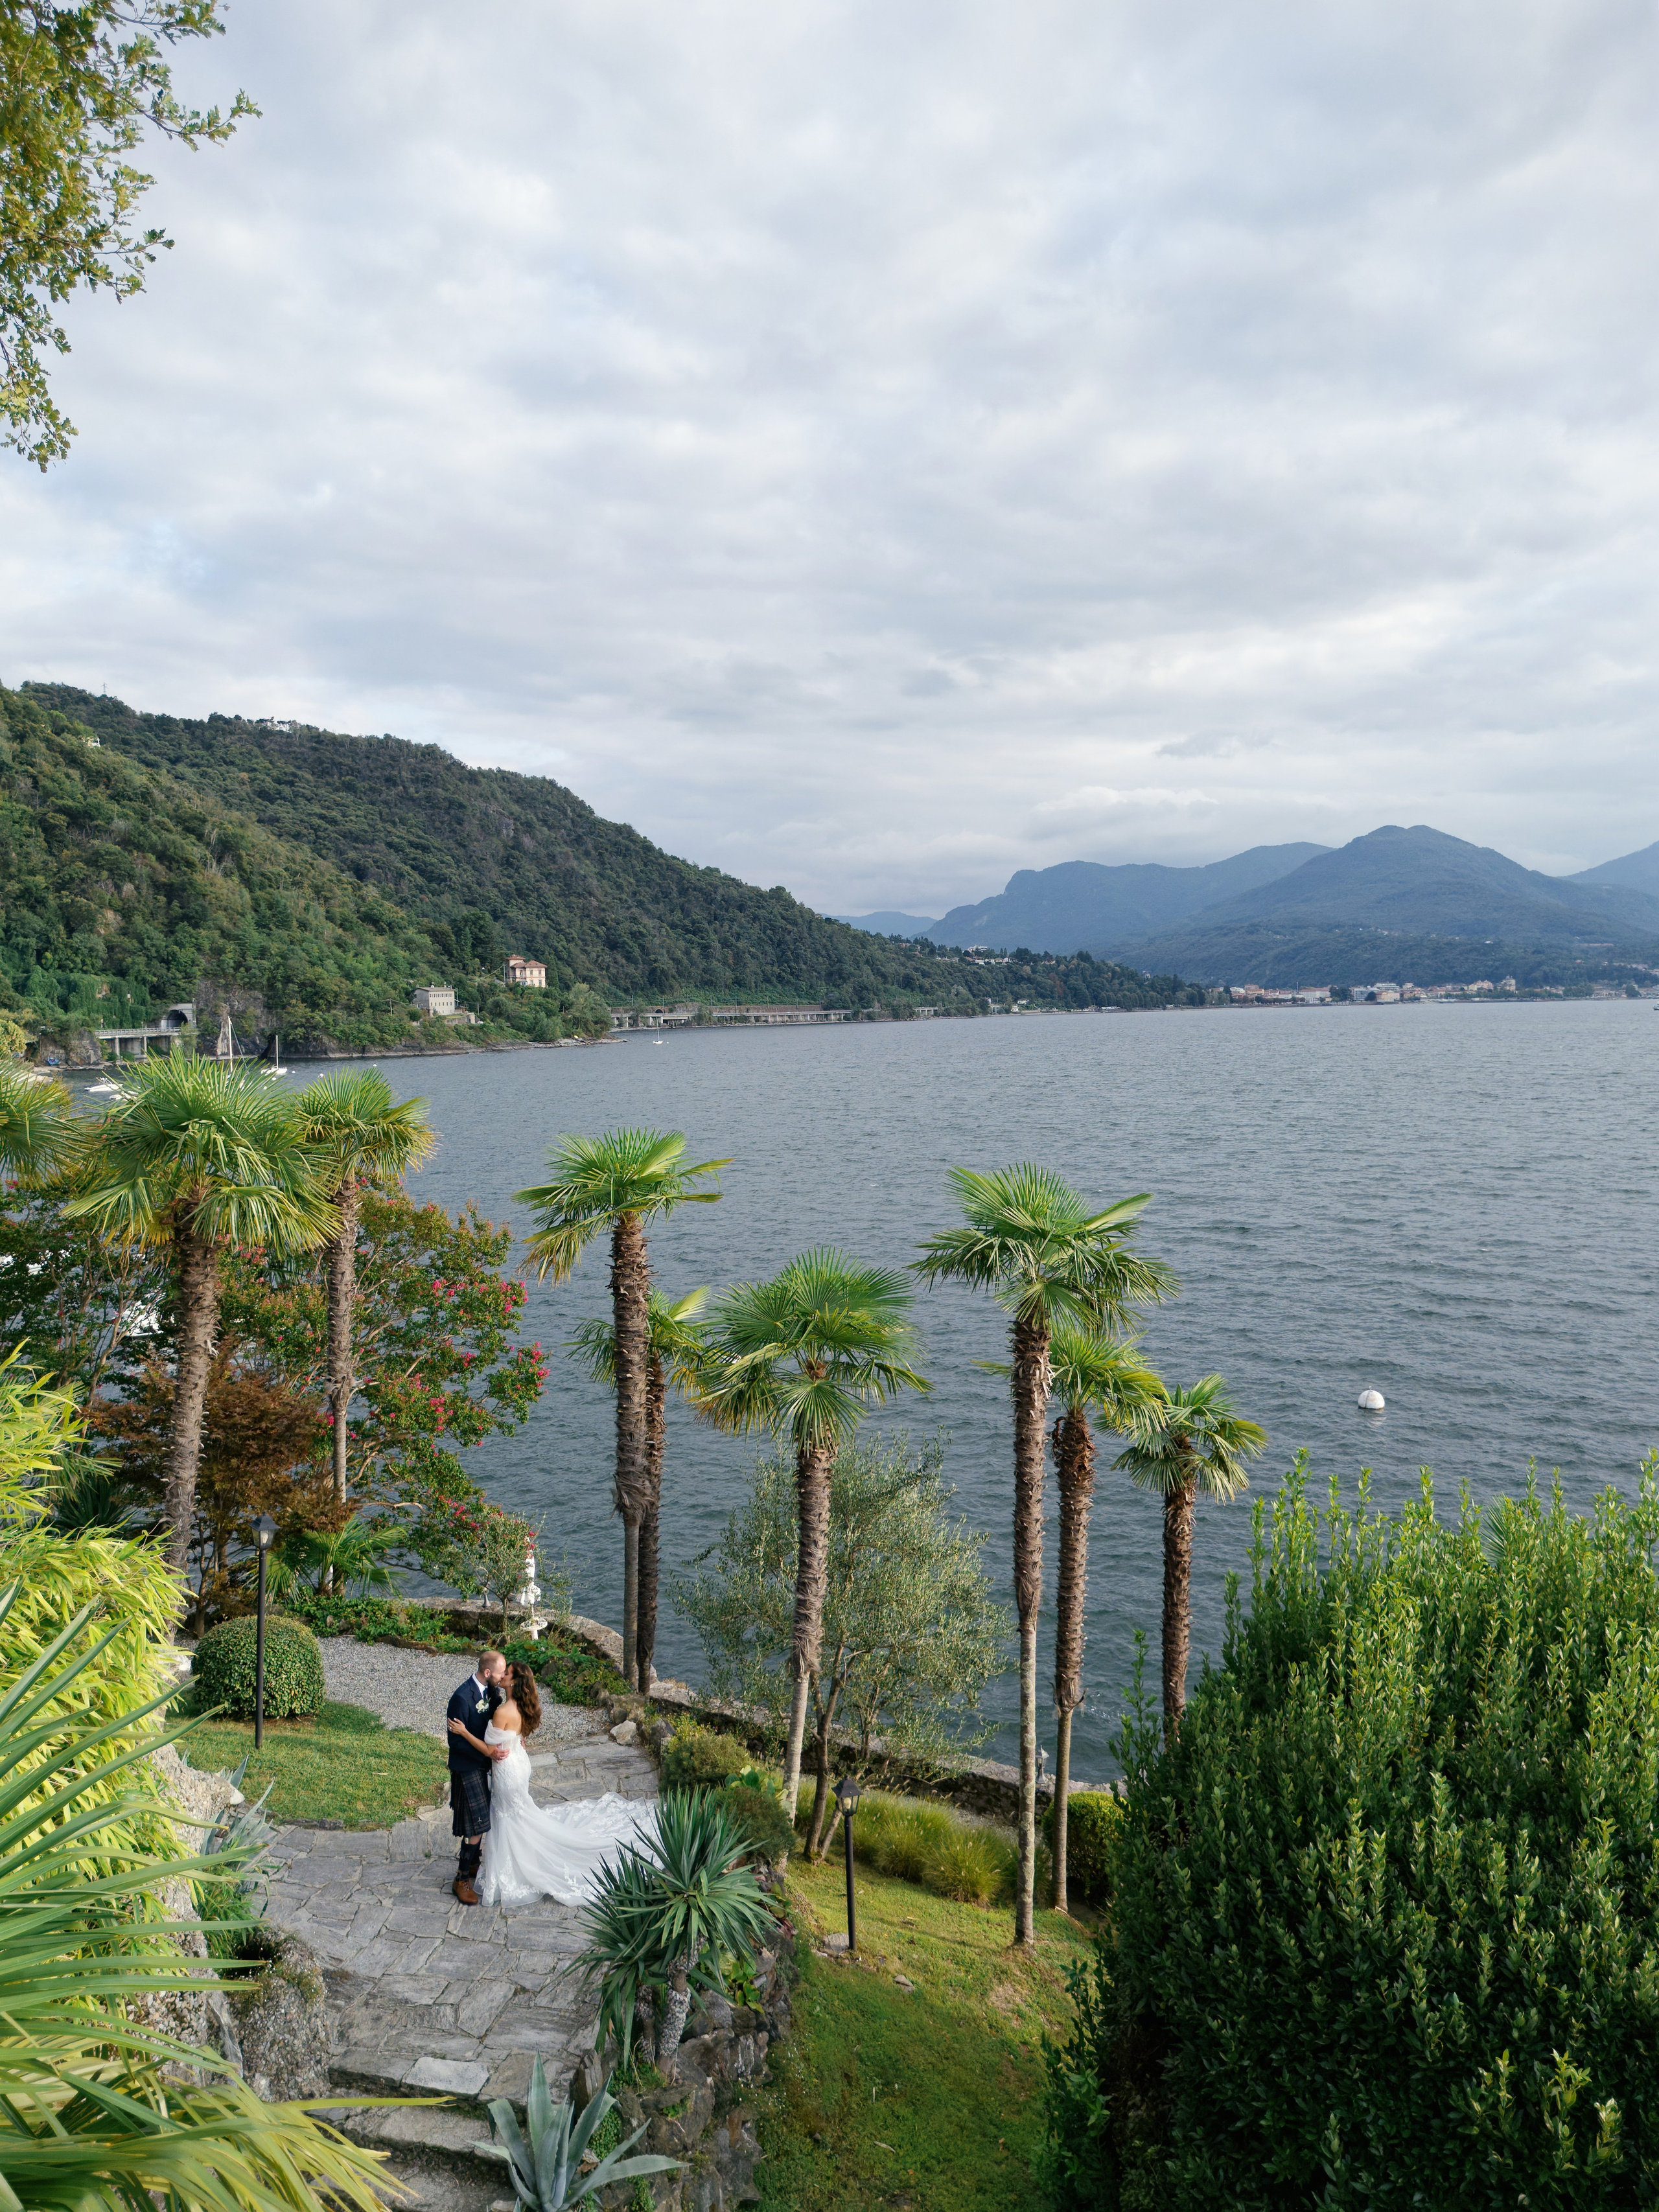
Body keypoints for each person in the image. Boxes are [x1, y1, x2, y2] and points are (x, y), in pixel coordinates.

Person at [447, 1658, 655, 1907]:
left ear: (513, 1681)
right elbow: (514, 1734)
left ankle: (499, 1864)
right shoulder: (518, 1704)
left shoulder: (503, 1711)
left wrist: (465, 1732)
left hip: (506, 1771)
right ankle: (482, 1861)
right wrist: (514, 1739)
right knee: (514, 1815)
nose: (502, 1676)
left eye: (507, 1673)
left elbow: (491, 1750)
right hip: (517, 1764)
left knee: (507, 1816)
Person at [447, 1649, 509, 1906]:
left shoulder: (491, 1692)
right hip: (466, 1765)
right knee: (479, 1822)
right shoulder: (461, 1698)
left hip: (483, 1763)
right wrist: (485, 1752)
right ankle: (461, 1879)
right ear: (487, 1673)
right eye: (500, 1673)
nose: (502, 1676)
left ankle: (472, 1862)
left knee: (480, 1820)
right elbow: (455, 1743)